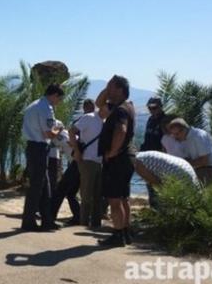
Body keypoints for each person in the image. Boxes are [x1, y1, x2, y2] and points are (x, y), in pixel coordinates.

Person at [96, 75, 136, 247]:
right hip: (126, 158)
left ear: (120, 89)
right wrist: (107, 89)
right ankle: (126, 233)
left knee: (114, 199)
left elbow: (121, 130)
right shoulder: (126, 106)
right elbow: (99, 106)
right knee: (123, 198)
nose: (107, 91)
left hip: (117, 160)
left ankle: (118, 235)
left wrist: (112, 152)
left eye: (111, 87)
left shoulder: (120, 110)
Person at [20, 83, 64, 232]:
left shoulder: (33, 105)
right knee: (37, 187)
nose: (58, 102)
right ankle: (28, 221)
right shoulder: (46, 108)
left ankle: (47, 220)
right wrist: (59, 128)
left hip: (33, 147)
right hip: (39, 147)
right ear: (55, 95)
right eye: (59, 99)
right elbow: (49, 133)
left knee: (45, 187)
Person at [71, 99, 104, 228]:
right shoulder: (88, 118)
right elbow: (72, 131)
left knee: (97, 195)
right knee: (86, 194)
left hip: (99, 161)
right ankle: (83, 222)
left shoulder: (105, 121)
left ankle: (96, 224)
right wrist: (77, 151)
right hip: (87, 160)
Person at [167, 118, 212, 185]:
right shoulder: (186, 139)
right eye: (173, 134)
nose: (175, 137)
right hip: (197, 171)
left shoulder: (198, 136)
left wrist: (185, 163)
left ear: (183, 130)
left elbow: (204, 161)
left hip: (208, 171)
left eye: (176, 134)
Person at [49, 120, 79, 223]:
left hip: (76, 162)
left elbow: (70, 143)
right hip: (78, 163)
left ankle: (51, 215)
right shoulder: (60, 136)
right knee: (71, 193)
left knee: (61, 189)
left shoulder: (62, 135)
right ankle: (78, 216)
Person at [140, 97, 167, 207]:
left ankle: (159, 210)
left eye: (154, 107)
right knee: (149, 183)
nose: (152, 110)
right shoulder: (150, 120)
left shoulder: (165, 121)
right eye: (149, 107)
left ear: (160, 107)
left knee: (158, 184)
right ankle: (153, 208)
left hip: (160, 157)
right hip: (148, 156)